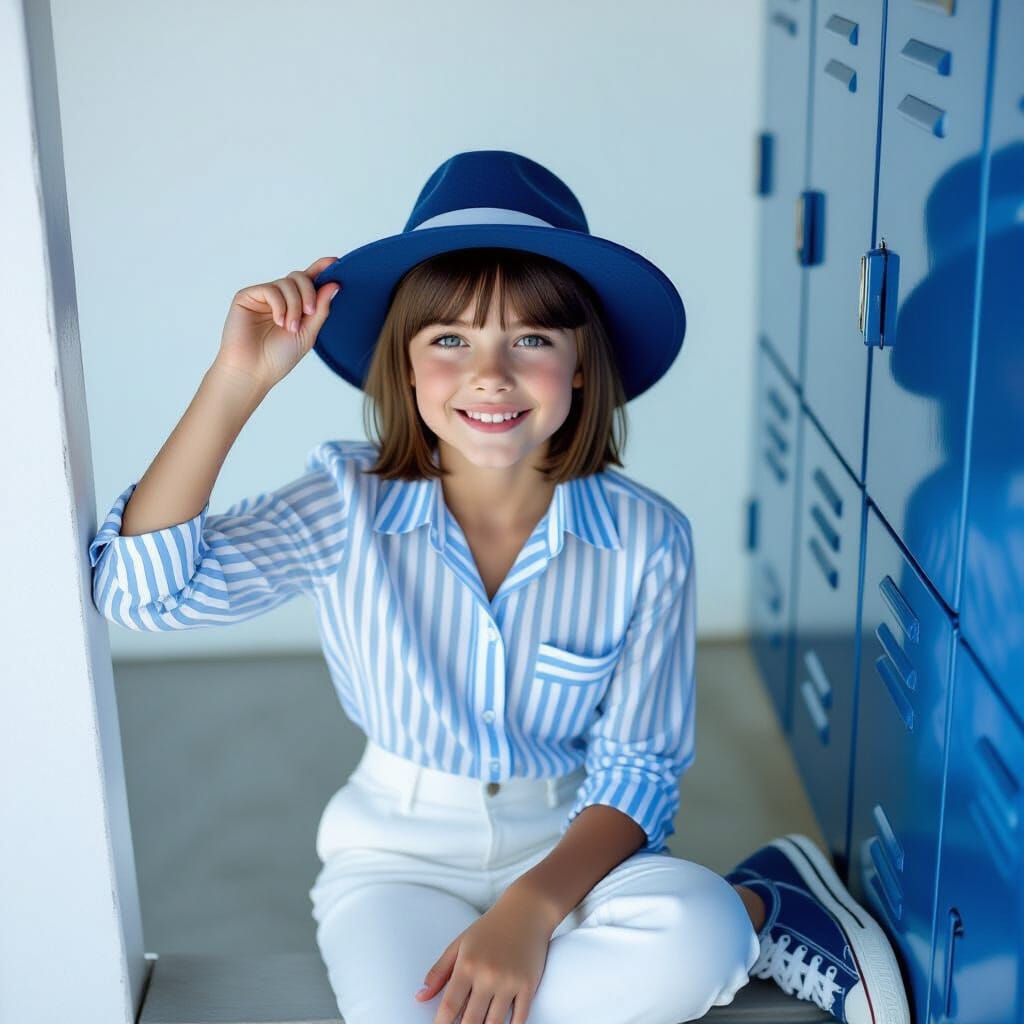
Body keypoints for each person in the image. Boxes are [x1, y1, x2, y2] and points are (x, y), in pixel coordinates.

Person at [88, 150, 910, 1024]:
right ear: (403, 367)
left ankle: (759, 902)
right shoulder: (344, 503)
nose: (490, 374)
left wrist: (532, 907)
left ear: (582, 366)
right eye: (450, 340)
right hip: (394, 856)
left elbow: (639, 767)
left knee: (695, 931)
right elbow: (142, 593)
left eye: (531, 339)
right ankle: (733, 925)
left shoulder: (646, 537)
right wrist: (236, 382)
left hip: (573, 844)